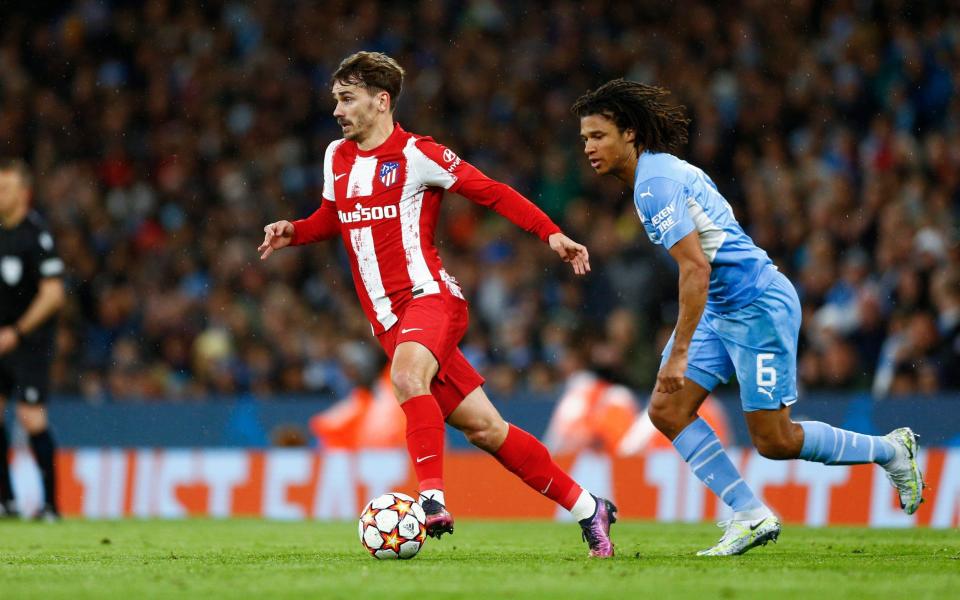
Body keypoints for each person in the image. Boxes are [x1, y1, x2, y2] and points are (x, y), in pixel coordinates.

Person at [259, 52, 616, 556]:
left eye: (346, 99)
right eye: (335, 99)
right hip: (387, 321)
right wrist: (293, 230)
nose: (337, 110)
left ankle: (430, 499)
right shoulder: (335, 157)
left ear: (381, 102)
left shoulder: (417, 154)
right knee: (486, 429)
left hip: (431, 299)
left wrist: (551, 233)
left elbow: (491, 192)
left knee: (406, 379)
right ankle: (588, 508)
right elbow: (332, 217)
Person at [571, 80, 924, 556]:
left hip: (757, 306)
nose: (589, 148)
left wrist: (677, 354)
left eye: (598, 136)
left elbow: (696, 267)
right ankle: (750, 514)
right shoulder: (661, 173)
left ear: (630, 134)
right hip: (722, 306)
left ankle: (891, 450)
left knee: (775, 441)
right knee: (667, 409)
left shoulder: (655, 185)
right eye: (585, 138)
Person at [0, 159, 66, 521]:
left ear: (24, 193)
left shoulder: (36, 234)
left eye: (6, 188)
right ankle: (7, 501)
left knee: (30, 416)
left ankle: (52, 505)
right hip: (1, 340)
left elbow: (54, 294)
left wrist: (18, 331)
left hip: (29, 343)